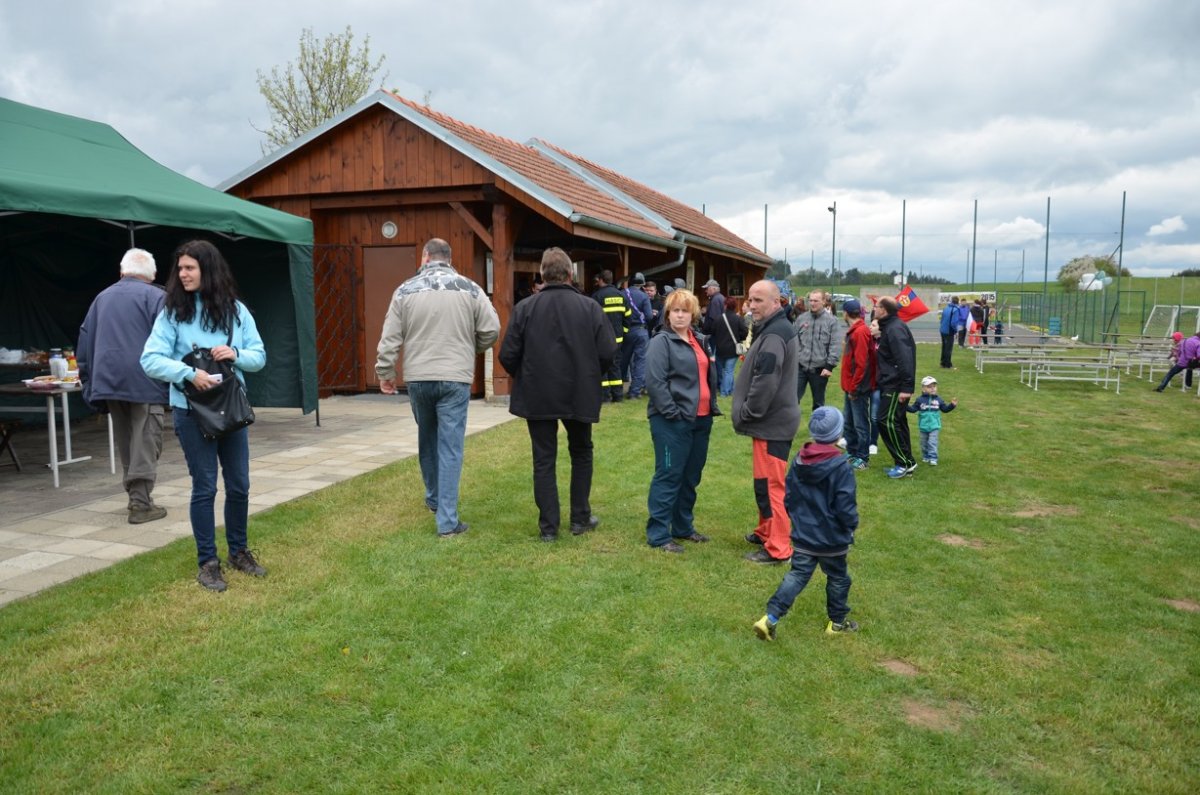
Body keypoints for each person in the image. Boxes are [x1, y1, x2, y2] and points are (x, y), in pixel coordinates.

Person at [140, 240, 267, 592]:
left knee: (239, 484)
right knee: (205, 487)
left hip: (231, 410)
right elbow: (150, 359)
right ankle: (207, 563)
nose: (182, 274)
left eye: (190, 268)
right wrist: (188, 373)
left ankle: (239, 552)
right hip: (191, 412)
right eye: (179, 268)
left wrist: (236, 353)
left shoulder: (236, 311)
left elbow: (259, 357)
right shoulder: (172, 313)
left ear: (207, 270)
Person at [374, 238, 500, 538]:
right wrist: (471, 348)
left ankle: (433, 498)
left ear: (425, 257)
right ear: (449, 258)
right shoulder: (470, 288)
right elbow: (492, 329)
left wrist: (385, 372)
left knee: (427, 438)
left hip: (419, 377)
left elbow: (390, 337)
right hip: (455, 377)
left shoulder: (404, 290)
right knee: (450, 447)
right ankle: (447, 521)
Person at [500, 248, 616, 541]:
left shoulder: (525, 308)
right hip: (578, 390)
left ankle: (549, 528)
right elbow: (607, 351)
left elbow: (508, 354)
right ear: (570, 273)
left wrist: (527, 375)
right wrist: (588, 375)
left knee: (544, 458)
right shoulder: (589, 308)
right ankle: (579, 518)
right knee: (581, 452)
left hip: (538, 392)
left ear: (542, 274)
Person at [78, 248, 170, 525]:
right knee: (146, 438)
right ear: (153, 274)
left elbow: (84, 342)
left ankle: (136, 498)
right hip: (146, 379)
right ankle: (140, 503)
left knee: (127, 439)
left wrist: (89, 383)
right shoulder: (157, 297)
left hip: (108, 379)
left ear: (122, 271)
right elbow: (170, 341)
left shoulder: (101, 298)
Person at [753, 406, 859, 641]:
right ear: (837, 434)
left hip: (803, 534)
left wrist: (797, 519)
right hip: (832, 538)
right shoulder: (841, 466)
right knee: (839, 578)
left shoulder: (800, 459)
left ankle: (769, 618)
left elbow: (789, 494)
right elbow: (845, 504)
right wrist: (850, 525)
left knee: (797, 575)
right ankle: (838, 623)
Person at [643, 289, 720, 553]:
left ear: (693, 314)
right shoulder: (661, 342)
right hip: (672, 421)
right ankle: (658, 534)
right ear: (667, 314)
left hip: (701, 419)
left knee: (690, 476)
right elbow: (655, 382)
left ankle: (683, 527)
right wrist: (672, 413)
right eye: (675, 310)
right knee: (668, 474)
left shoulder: (698, 340)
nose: (679, 315)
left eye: (684, 311)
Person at [733, 280, 800, 564]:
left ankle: (779, 547)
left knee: (772, 487)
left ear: (776, 302)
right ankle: (765, 531)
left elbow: (765, 381)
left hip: (771, 423)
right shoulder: (774, 328)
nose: (752, 305)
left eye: (758, 300)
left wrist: (749, 411)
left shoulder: (774, 334)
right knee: (764, 483)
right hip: (769, 423)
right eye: (750, 300)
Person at [874, 296, 918, 479]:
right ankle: (907, 461)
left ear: (884, 310)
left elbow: (905, 359)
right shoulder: (889, 327)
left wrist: (906, 387)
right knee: (898, 421)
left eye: (876, 306)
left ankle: (904, 463)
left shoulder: (895, 329)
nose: (874, 309)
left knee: (885, 420)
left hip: (895, 384)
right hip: (891, 382)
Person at [839, 299, 875, 471]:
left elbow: (862, 364)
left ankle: (862, 457)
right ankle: (852, 452)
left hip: (857, 387)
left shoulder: (860, 332)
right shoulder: (855, 330)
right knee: (849, 422)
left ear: (845, 313)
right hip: (850, 385)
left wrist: (855, 387)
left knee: (860, 423)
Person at [793, 289, 841, 412]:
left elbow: (835, 345)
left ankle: (818, 424)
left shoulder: (832, 321)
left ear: (824, 301)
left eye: (816, 301)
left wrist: (829, 366)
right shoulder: (801, 319)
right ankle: (790, 424)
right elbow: (794, 340)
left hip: (820, 370)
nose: (812, 303)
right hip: (800, 367)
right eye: (811, 301)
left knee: (818, 405)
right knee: (791, 401)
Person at [592, 270, 629, 402]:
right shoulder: (621, 295)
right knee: (615, 365)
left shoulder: (597, 296)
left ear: (601, 280)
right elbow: (628, 316)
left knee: (603, 366)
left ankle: (605, 396)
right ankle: (618, 396)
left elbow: (593, 318)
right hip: (618, 338)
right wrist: (623, 332)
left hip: (602, 339)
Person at [907, 376, 957, 465]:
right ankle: (925, 456)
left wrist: (952, 405)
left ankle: (933, 458)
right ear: (923, 389)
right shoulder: (920, 400)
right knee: (923, 443)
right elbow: (913, 409)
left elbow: (945, 409)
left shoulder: (939, 400)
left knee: (932, 442)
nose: (933, 388)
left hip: (934, 426)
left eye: (934, 386)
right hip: (923, 426)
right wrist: (904, 405)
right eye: (929, 387)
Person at [621, 273, 653, 398]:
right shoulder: (644, 296)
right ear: (642, 284)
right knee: (640, 362)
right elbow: (649, 316)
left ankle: (617, 389)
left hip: (626, 330)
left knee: (623, 360)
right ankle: (634, 392)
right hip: (641, 331)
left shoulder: (622, 294)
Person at [712, 294, 748, 397]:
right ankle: (725, 391)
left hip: (720, 349)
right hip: (733, 349)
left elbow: (713, 332)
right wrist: (738, 338)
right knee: (729, 371)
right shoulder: (738, 319)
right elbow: (745, 332)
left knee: (724, 371)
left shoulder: (718, 319)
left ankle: (727, 390)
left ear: (725, 305)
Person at [939, 296, 960, 369]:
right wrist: (956, 331)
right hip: (949, 331)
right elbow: (954, 323)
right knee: (948, 348)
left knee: (944, 347)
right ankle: (948, 364)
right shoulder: (955, 310)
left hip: (942, 330)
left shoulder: (946, 308)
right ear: (958, 302)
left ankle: (942, 363)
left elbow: (941, 319)